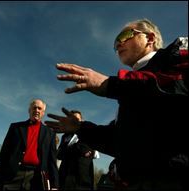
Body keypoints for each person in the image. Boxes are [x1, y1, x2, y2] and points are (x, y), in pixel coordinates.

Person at [45, 18, 188, 190]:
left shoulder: (176, 54)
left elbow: (176, 87)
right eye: (115, 43)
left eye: (126, 35)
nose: (119, 44)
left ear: (150, 38)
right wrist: (80, 128)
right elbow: (120, 141)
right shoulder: (129, 90)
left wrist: (110, 84)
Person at [0, 99, 59, 190]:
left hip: (36, 178)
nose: (36, 110)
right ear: (29, 110)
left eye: (39, 108)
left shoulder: (50, 133)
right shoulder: (15, 128)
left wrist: (54, 185)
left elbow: (52, 160)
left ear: (43, 112)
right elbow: (4, 152)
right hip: (13, 175)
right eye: (34, 108)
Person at [57, 110, 99, 190]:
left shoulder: (88, 133)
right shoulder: (64, 136)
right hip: (65, 178)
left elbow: (85, 149)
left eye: (77, 119)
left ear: (81, 120)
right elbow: (59, 155)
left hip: (82, 180)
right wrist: (77, 149)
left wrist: (68, 150)